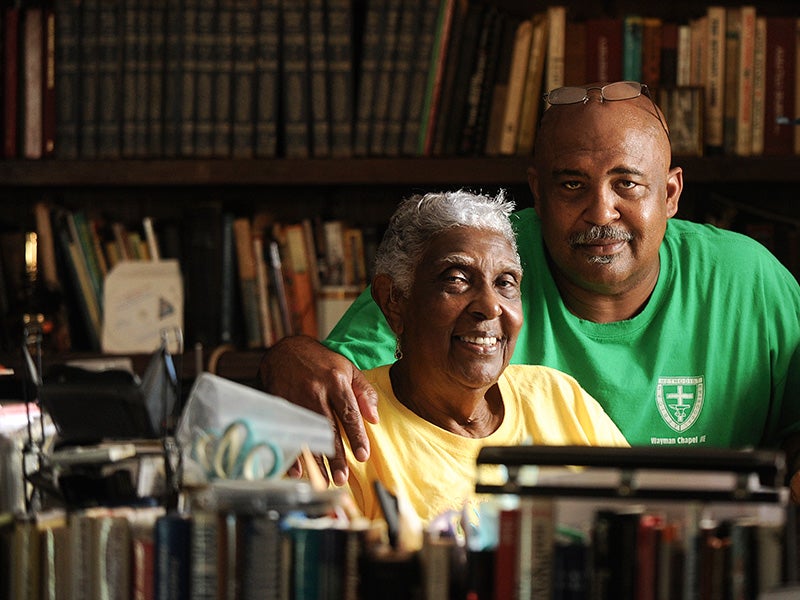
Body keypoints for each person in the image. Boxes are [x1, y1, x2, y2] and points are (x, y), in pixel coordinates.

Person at [259, 81, 800, 499]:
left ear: (672, 192)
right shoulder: (480, 255)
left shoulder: (749, 281)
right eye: (571, 184)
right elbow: (342, 383)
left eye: (627, 184)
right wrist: (288, 356)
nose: (600, 211)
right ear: (537, 192)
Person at [335, 189, 627, 523]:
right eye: (456, 279)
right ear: (394, 301)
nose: (490, 306)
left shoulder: (560, 399)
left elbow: (640, 524)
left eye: (505, 283)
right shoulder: (350, 428)